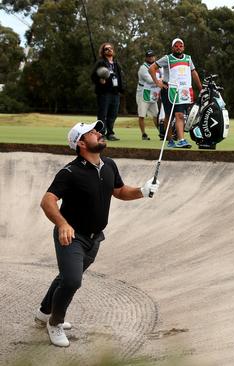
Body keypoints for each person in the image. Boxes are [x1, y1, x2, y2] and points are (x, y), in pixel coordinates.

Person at [35, 120, 160, 347]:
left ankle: (44, 312)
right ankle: (54, 323)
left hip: (94, 239)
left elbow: (120, 191)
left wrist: (142, 191)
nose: (99, 133)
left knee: (66, 278)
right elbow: (47, 201)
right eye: (92, 132)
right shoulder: (70, 172)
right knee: (72, 280)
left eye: (98, 131)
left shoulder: (109, 165)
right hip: (71, 237)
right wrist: (62, 224)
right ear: (81, 143)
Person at [149, 38, 203, 148]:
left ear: (183, 47)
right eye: (176, 46)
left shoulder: (188, 58)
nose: (178, 48)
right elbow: (152, 68)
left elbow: (194, 73)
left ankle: (182, 140)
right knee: (168, 116)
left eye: (180, 46)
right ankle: (170, 140)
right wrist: (157, 82)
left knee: (180, 115)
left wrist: (201, 88)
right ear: (172, 47)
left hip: (183, 91)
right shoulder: (167, 58)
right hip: (169, 90)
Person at [91, 42, 125, 141]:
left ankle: (110, 133)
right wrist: (99, 80)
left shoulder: (116, 63)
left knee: (113, 114)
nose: (109, 50)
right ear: (103, 52)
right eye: (106, 49)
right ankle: (101, 134)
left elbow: (120, 77)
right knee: (103, 114)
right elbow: (93, 76)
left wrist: (121, 89)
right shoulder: (100, 63)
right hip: (104, 93)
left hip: (115, 93)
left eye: (110, 48)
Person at [136, 49, 162, 141]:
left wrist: (161, 80)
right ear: (146, 57)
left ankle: (161, 132)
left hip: (153, 93)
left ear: (155, 57)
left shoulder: (158, 66)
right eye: (149, 56)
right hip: (143, 93)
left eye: (152, 56)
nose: (151, 58)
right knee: (142, 115)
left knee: (156, 114)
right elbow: (150, 80)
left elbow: (163, 75)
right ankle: (144, 134)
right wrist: (162, 80)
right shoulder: (143, 68)